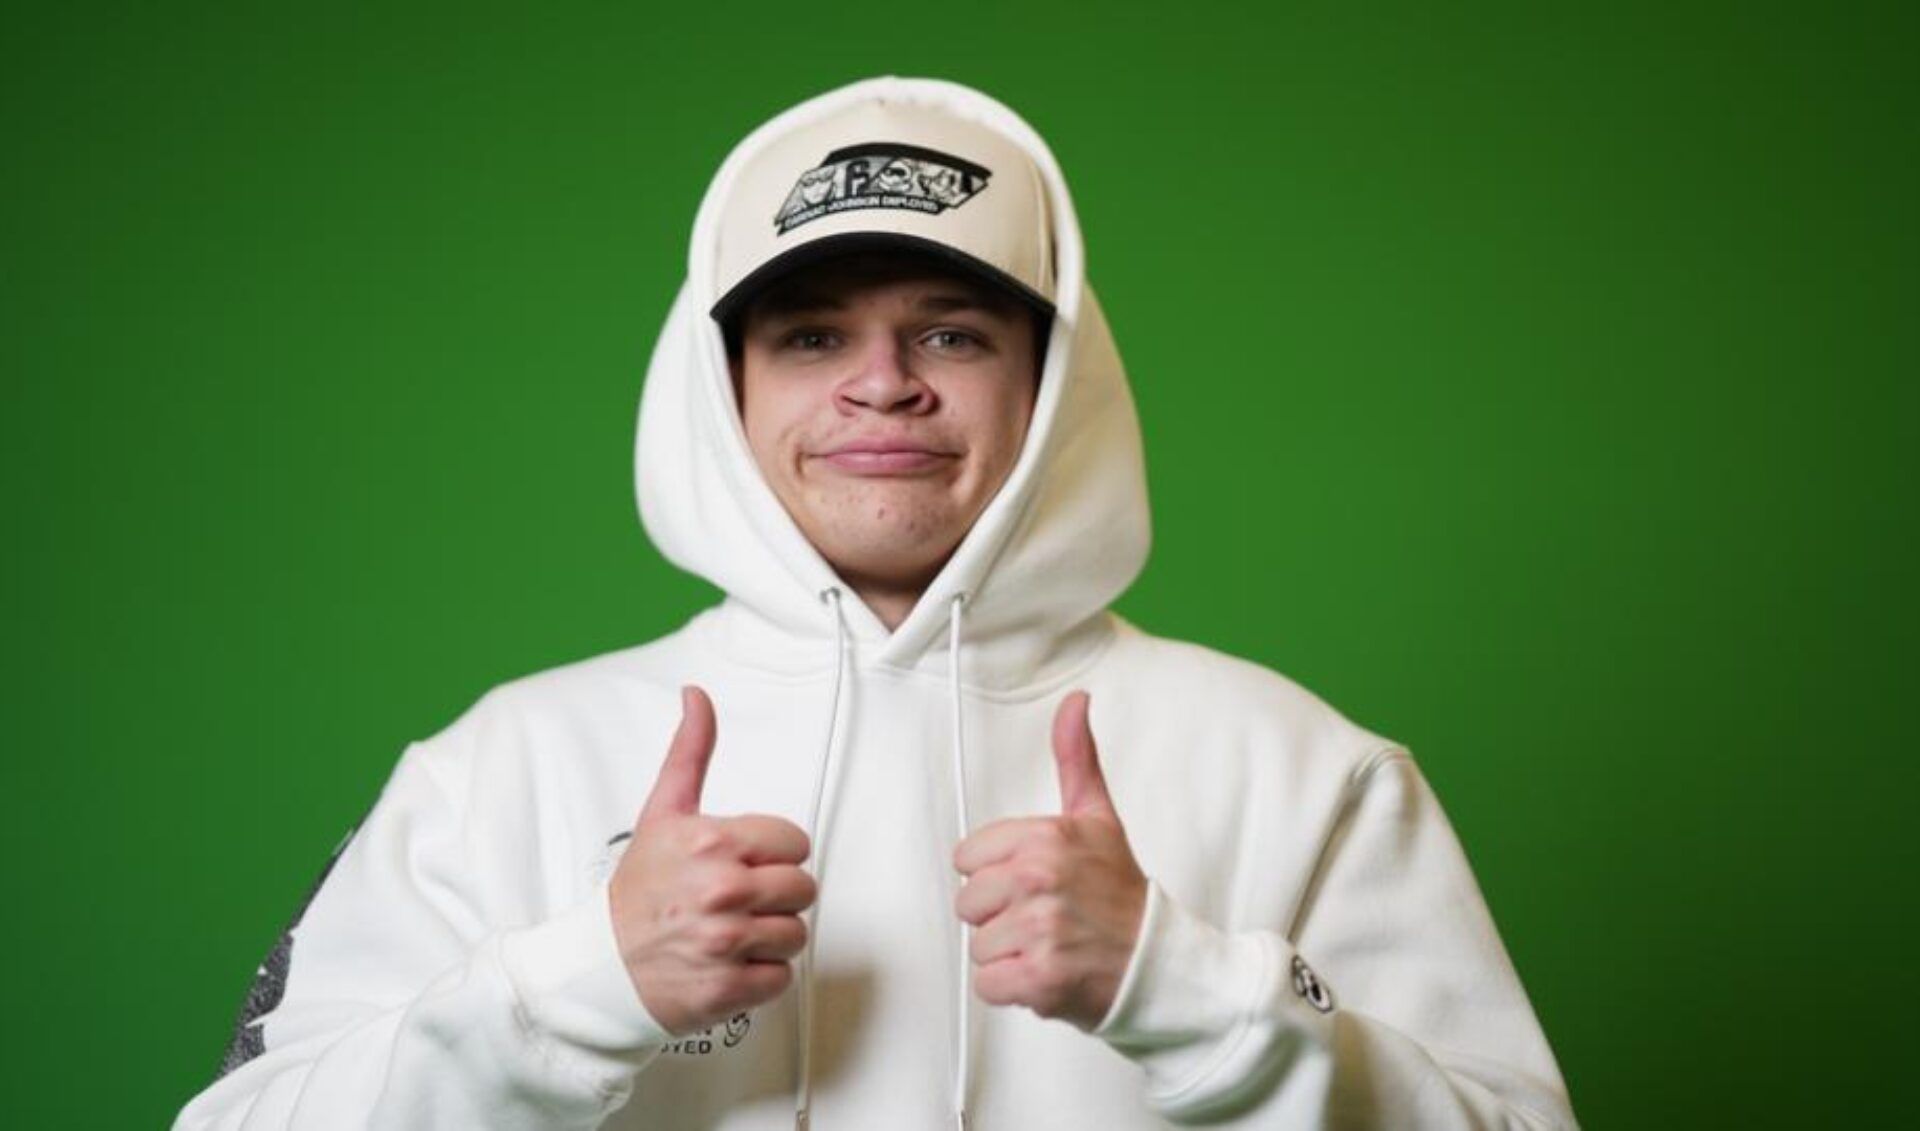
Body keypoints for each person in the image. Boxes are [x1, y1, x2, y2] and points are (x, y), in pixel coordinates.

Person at [174, 75, 1578, 1130]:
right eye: (811, 335)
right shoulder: (507, 764)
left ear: (1051, 385)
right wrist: (579, 982)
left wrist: (1189, 989)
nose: (883, 384)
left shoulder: (1302, 769)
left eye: (950, 332)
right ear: (723, 390)